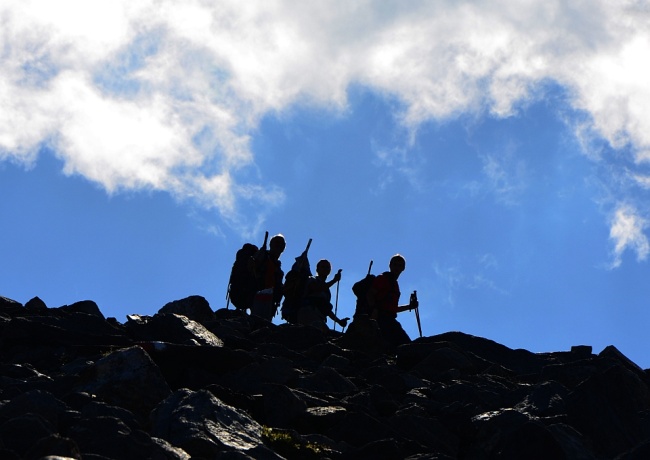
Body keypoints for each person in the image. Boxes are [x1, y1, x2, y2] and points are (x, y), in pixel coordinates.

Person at [366, 254, 417, 347]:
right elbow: (370, 294)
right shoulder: (383, 278)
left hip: (388, 319)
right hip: (382, 319)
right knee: (406, 345)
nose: (397, 268)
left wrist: (409, 307)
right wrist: (374, 310)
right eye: (395, 265)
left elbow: (392, 308)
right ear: (390, 265)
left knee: (403, 345)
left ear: (403, 268)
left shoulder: (394, 284)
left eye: (399, 265)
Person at [298, 259, 349, 332]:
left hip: (318, 318)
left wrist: (338, 321)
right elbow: (317, 288)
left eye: (327, 267)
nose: (325, 269)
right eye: (323, 267)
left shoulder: (327, 290)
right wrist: (334, 281)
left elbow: (326, 309)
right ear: (317, 269)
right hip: (308, 313)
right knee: (325, 334)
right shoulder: (312, 279)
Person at [250, 234, 286, 321]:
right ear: (271, 245)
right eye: (277, 243)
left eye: (281, 244)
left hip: (269, 299)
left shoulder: (276, 265)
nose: (279, 246)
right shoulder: (263, 256)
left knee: (262, 322)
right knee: (258, 321)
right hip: (259, 294)